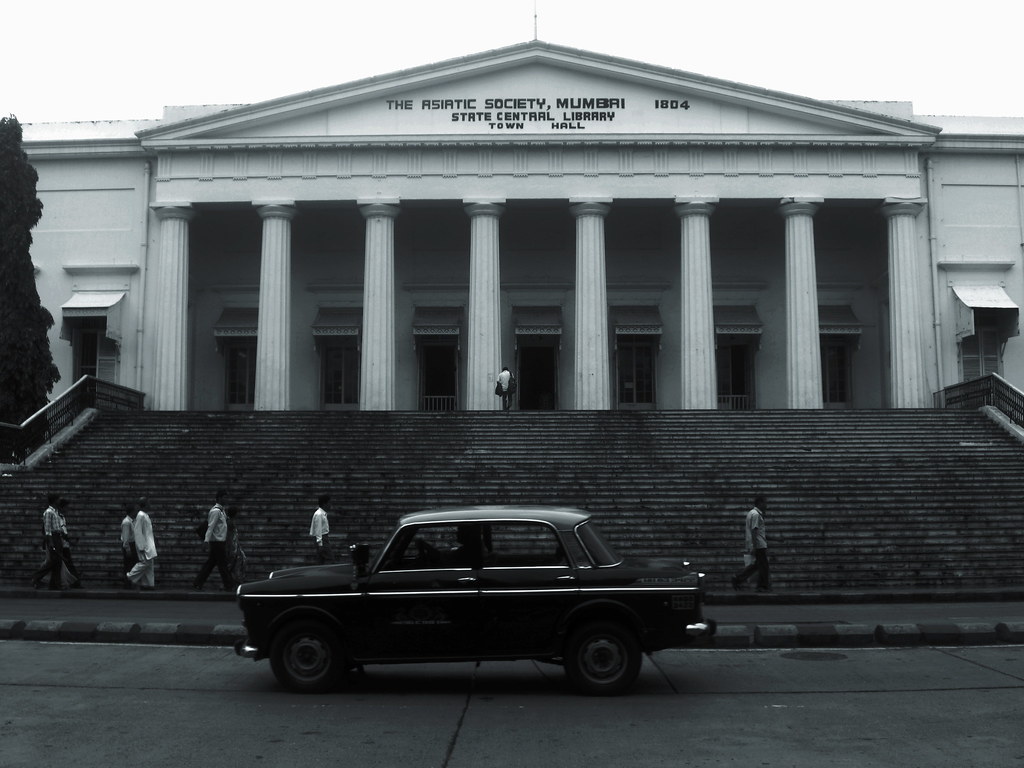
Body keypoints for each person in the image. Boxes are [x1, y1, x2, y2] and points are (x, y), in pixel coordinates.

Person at [193, 490, 234, 591]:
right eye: (225, 497)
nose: (227, 499)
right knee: (223, 565)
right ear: (219, 498)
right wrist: (206, 541)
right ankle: (229, 586)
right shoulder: (215, 511)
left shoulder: (221, 510)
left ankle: (198, 583)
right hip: (217, 542)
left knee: (210, 564)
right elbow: (210, 527)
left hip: (220, 542)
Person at [732, 496, 771, 592]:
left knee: (757, 565)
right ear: (760, 503)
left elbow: (759, 532)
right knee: (764, 566)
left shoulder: (752, 513)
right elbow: (754, 531)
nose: (766, 505)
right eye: (765, 503)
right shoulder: (756, 515)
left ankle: (738, 579)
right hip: (759, 545)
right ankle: (762, 586)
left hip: (758, 543)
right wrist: (755, 546)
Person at [31, 493, 64, 590]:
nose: (60, 501)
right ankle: (36, 577)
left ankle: (55, 584)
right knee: (54, 560)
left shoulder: (55, 512)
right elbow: (47, 529)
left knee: (58, 562)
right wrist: (50, 542)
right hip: (53, 537)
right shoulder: (49, 512)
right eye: (59, 499)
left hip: (57, 537)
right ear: (54, 500)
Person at [126, 498, 157, 590]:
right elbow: (138, 531)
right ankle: (130, 576)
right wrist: (141, 546)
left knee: (149, 564)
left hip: (148, 544)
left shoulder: (144, 515)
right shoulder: (141, 516)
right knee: (144, 563)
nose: (150, 505)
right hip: (144, 545)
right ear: (145, 505)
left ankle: (148, 584)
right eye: (149, 503)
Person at [55, 497, 82, 588]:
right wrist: (70, 540)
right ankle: (75, 583)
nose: (68, 509)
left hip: (64, 544)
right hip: (61, 545)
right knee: (68, 564)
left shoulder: (62, 517)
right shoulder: (57, 517)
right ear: (62, 507)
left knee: (65, 564)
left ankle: (73, 582)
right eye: (66, 507)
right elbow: (61, 532)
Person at [225, 506, 247, 584]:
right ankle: (236, 581)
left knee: (235, 564)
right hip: (233, 547)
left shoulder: (228, 522)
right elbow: (232, 537)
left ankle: (235, 581)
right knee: (236, 564)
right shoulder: (230, 523)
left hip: (233, 546)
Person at [310, 494, 332, 563]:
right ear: (324, 504)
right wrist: (320, 544)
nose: (330, 505)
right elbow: (318, 530)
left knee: (322, 560)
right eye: (329, 503)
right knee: (329, 558)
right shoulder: (319, 514)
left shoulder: (322, 514)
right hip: (322, 538)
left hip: (323, 538)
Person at [120, 502, 137, 588]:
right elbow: (126, 538)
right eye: (135, 511)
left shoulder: (131, 521)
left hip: (132, 545)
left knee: (131, 565)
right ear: (131, 512)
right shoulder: (126, 522)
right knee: (128, 565)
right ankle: (127, 583)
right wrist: (128, 549)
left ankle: (129, 583)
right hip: (129, 545)